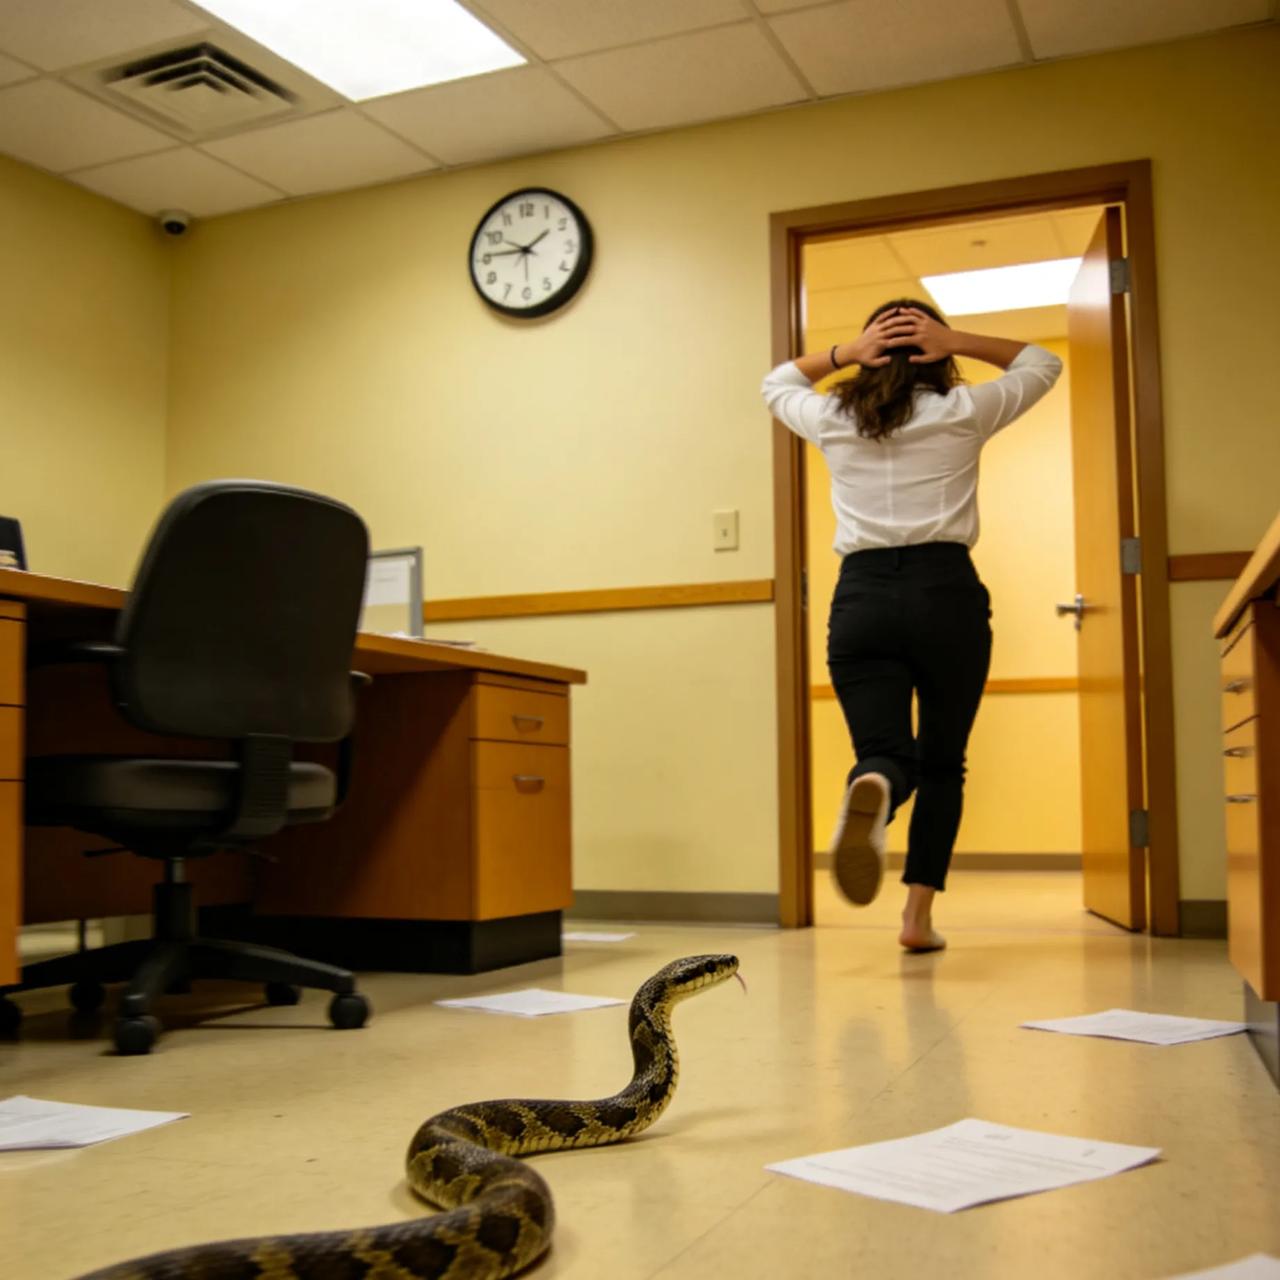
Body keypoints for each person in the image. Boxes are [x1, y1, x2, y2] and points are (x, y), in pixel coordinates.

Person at [762, 299, 1063, 951]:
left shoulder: (834, 417)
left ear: (872, 353)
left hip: (861, 597)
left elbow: (776, 382)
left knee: (886, 753)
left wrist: (844, 352)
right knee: (943, 763)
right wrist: (954, 337)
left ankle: (871, 786)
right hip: (945, 593)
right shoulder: (962, 411)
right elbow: (1044, 362)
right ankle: (916, 919)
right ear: (935, 353)